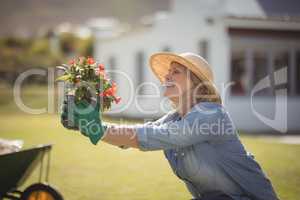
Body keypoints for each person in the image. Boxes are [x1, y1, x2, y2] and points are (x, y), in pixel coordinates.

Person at [61, 52, 279, 200]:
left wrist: (95, 128)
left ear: (196, 83)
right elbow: (133, 138)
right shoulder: (173, 118)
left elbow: (154, 136)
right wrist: (86, 125)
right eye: (168, 72)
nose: (166, 75)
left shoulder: (211, 114)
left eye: (176, 72)